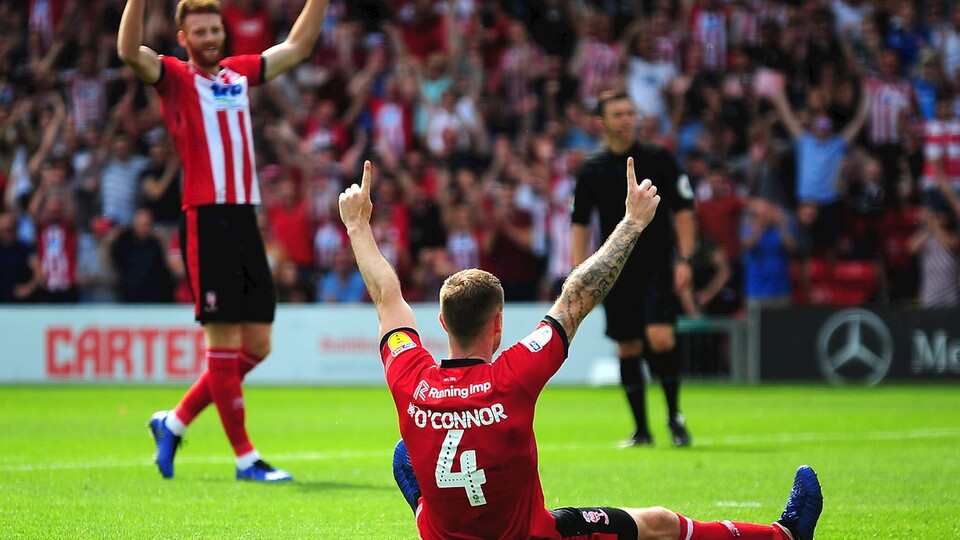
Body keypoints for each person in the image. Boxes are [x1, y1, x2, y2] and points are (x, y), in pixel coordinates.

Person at [338, 159, 823, 540]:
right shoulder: (513, 375)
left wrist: (358, 227)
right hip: (531, 536)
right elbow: (578, 296)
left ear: (442, 323)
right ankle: (784, 536)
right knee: (657, 523)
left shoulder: (411, 379)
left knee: (410, 461)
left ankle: (425, 505)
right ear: (499, 324)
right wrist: (632, 223)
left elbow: (387, 297)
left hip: (445, 534)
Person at [118, 0, 330, 481]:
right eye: (200, 32)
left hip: (243, 218)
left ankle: (174, 422)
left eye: (215, 29)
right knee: (223, 342)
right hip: (205, 218)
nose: (211, 37)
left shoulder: (238, 74)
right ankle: (245, 458)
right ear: (184, 39)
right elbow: (129, 51)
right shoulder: (174, 77)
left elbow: (298, 47)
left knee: (258, 344)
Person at [571, 90, 695, 447]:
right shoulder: (592, 168)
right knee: (627, 346)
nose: (626, 119)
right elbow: (580, 221)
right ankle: (641, 430)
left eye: (630, 112)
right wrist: (579, 270)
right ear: (602, 121)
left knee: (660, 337)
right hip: (615, 268)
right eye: (618, 114)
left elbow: (684, 209)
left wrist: (685, 259)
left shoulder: (659, 158)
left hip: (657, 263)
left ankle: (674, 416)